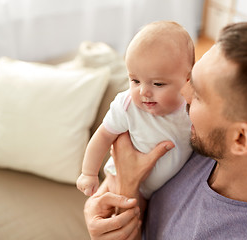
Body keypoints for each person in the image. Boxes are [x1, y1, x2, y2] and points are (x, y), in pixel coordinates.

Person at [83, 21, 247, 240]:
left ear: (240, 138)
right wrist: (107, 204)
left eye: (199, 94)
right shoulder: (209, 141)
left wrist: (128, 186)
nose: (183, 94)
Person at [76, 21, 194, 198]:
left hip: (162, 191)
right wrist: (88, 173)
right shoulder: (127, 106)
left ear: (187, 80)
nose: (143, 91)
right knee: (124, 214)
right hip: (119, 179)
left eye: (158, 84)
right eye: (135, 81)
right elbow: (103, 136)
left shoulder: (192, 108)